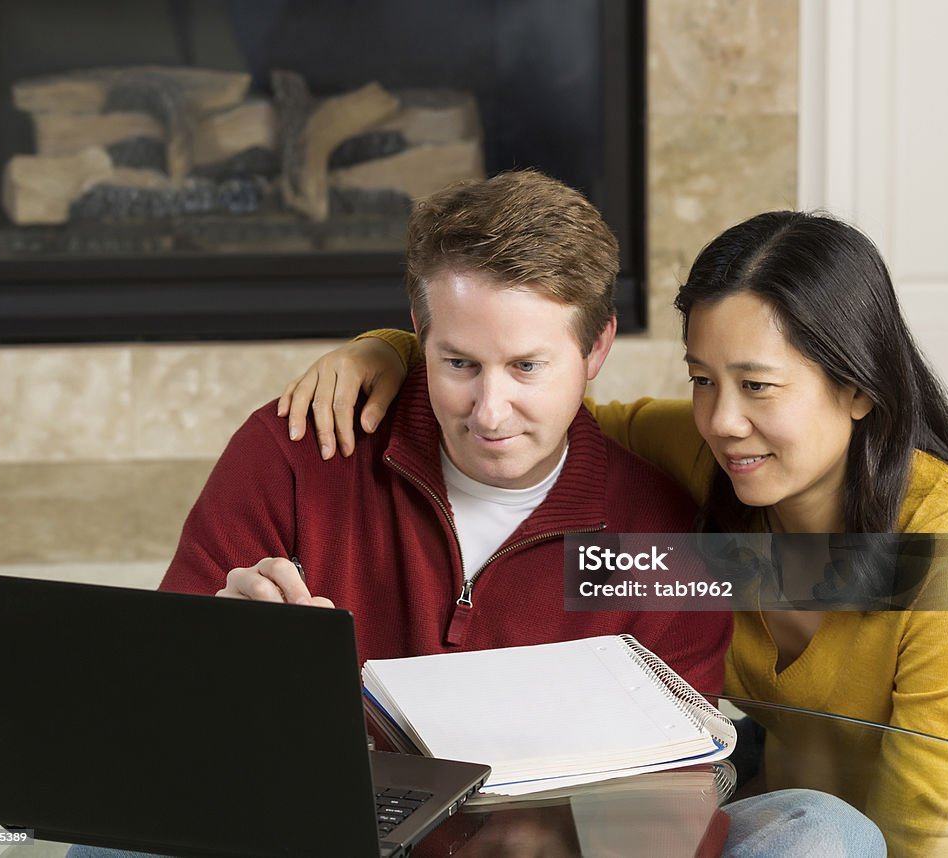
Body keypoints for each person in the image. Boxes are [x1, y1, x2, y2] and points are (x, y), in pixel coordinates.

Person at [278, 210, 948, 857]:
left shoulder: (947, 543)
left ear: (858, 388)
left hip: (885, 835)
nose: (722, 420)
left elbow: (927, 817)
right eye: (703, 380)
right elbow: (534, 410)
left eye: (758, 385)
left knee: (828, 833)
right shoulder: (709, 458)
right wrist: (396, 351)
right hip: (761, 792)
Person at [160, 169, 730, 695]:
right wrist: (215, 647)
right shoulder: (299, 452)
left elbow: (679, 780)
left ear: (597, 348)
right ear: (418, 331)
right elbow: (155, 689)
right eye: (459, 364)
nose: (489, 413)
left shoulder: (662, 541)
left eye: (526, 367)